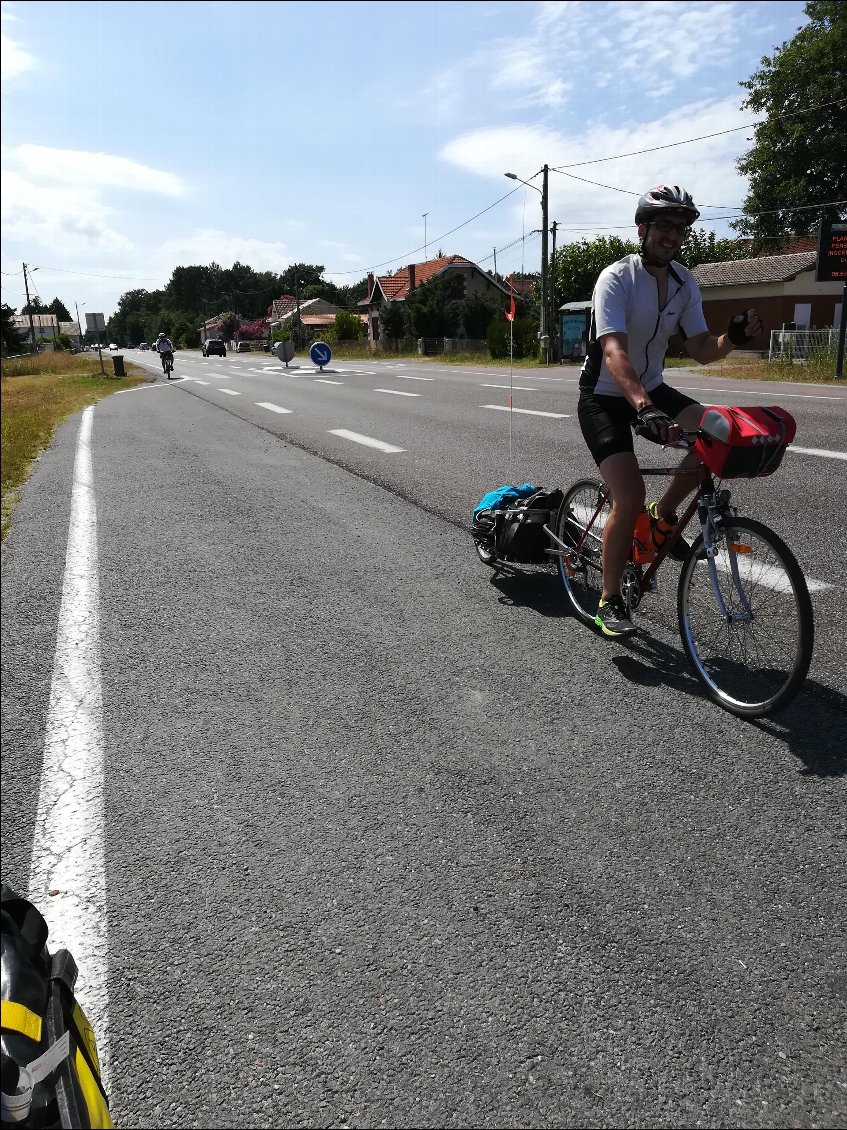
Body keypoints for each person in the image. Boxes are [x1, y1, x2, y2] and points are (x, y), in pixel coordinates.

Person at [577, 184, 764, 638]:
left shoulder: (684, 281)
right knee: (629, 495)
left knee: (720, 430)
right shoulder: (617, 279)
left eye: (680, 228)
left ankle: (663, 520)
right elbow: (615, 351)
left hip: (654, 388)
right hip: (604, 395)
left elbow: (701, 348)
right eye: (664, 226)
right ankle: (609, 599)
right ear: (643, 229)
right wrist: (641, 406)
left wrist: (731, 338)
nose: (673, 235)